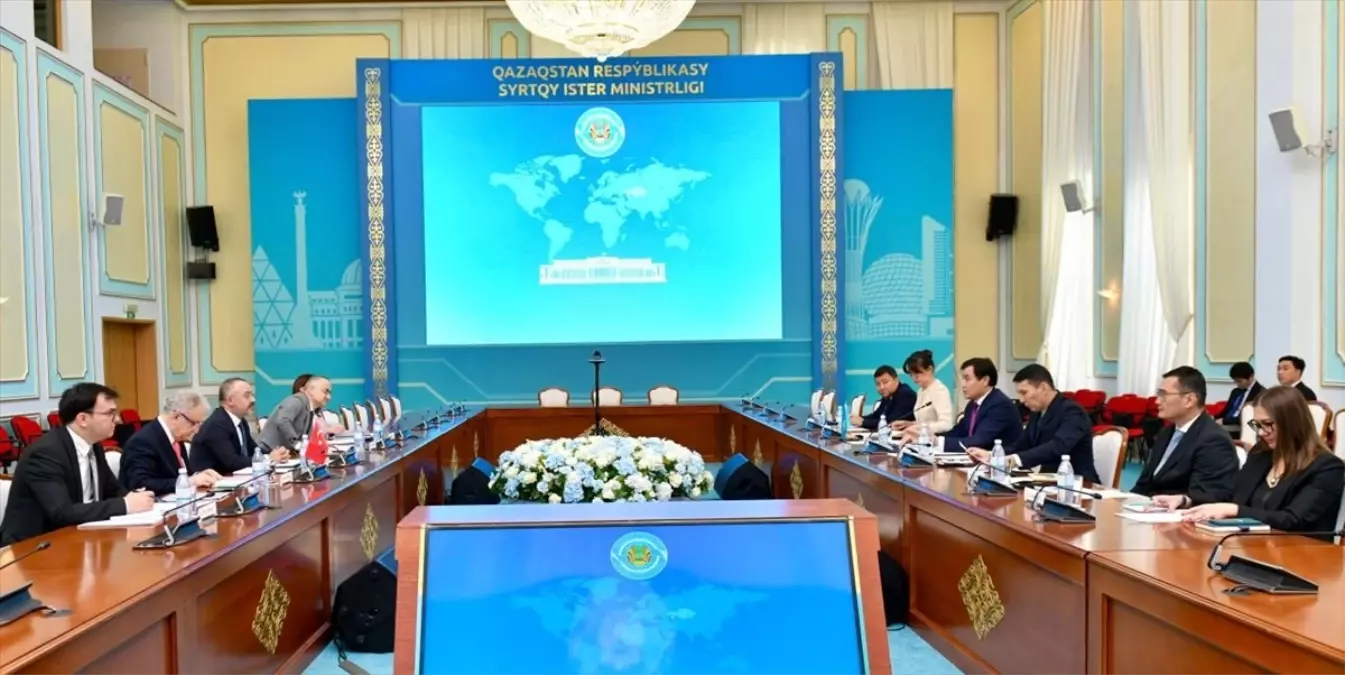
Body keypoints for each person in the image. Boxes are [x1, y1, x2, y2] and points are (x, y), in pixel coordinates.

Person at [1156, 386, 1344, 539]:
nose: (1261, 432)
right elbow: (1232, 495)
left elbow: (1292, 520)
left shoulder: (1326, 467)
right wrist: (1187, 500)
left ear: (1292, 423)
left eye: (1268, 424)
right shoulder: (1261, 454)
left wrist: (1235, 510)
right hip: (1252, 546)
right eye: (1257, 425)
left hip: (1301, 554)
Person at [0, 383, 154, 546]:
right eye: (110, 413)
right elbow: (62, 512)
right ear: (83, 419)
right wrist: (125, 505)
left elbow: (113, 490)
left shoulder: (93, 445)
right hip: (34, 547)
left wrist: (135, 498)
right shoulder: (45, 453)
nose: (117, 419)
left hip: (80, 538)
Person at [968, 364, 1099, 484]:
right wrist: (991, 455)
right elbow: (1021, 446)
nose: (1021, 400)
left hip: (1079, 485)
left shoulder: (1073, 412)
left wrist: (1014, 460)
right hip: (1047, 484)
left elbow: (1058, 446)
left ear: (1043, 388)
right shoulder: (1037, 412)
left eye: (1024, 393)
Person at [1130, 366, 1239, 504]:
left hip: (1179, 513)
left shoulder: (1214, 440)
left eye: (1164, 394)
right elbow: (1145, 483)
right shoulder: (1166, 432)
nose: (1157, 401)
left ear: (1189, 400)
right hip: (1149, 507)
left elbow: (1207, 495)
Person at [120, 391, 222, 495]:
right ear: (176, 416)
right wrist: (190, 481)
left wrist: (198, 476)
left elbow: (177, 476)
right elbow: (140, 484)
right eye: (193, 423)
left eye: (199, 424)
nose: (196, 431)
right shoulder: (142, 441)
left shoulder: (177, 436)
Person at [189, 378, 290, 476]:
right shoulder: (216, 425)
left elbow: (254, 450)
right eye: (247, 396)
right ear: (230, 400)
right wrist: (268, 458)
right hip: (210, 483)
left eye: (252, 395)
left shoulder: (241, 421)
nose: (253, 400)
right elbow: (232, 462)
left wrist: (275, 454)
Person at [939, 358, 1022, 452]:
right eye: (963, 379)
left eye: (967, 379)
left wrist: (940, 443)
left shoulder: (1000, 405)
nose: (963, 385)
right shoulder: (972, 405)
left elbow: (979, 441)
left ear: (985, 380)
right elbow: (959, 431)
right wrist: (934, 438)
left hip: (1001, 459)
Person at [259, 374, 332, 452]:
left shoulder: (310, 408)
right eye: (325, 391)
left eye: (330, 393)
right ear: (310, 389)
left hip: (283, 453)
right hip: (266, 451)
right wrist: (296, 444)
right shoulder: (296, 401)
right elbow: (282, 420)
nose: (329, 397)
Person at [892, 350, 954, 436]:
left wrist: (919, 427)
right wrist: (910, 424)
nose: (914, 378)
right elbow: (925, 421)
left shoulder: (939, 390)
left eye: (917, 374)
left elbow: (946, 424)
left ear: (930, 369)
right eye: (911, 375)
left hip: (936, 439)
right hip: (921, 438)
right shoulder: (921, 391)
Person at [849, 365, 917, 431]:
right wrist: (860, 419)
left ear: (896, 380)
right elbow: (877, 415)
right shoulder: (890, 394)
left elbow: (890, 422)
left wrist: (863, 422)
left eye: (885, 382)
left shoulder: (905, 394)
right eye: (878, 384)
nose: (881, 387)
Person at [1220, 361, 1263, 426]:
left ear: (1251, 377)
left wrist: (1225, 421)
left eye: (1239, 381)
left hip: (1243, 426)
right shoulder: (1235, 391)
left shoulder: (1261, 393)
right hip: (1226, 425)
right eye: (1235, 381)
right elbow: (1226, 412)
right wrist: (1213, 418)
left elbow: (1252, 420)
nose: (1237, 384)